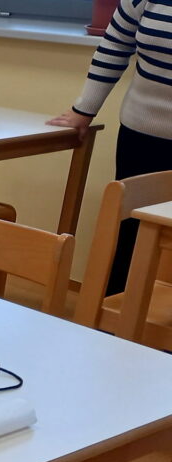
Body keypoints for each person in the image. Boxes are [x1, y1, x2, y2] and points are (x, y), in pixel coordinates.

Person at [48, 0, 172, 295]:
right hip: (142, 134)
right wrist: (83, 110)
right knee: (131, 232)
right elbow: (115, 44)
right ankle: (114, 312)